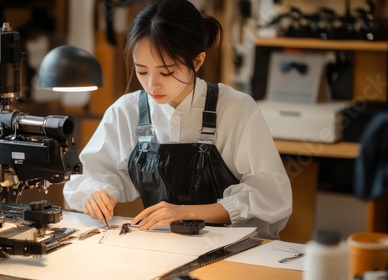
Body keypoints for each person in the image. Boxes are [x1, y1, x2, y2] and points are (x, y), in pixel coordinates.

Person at [63, 0, 292, 239]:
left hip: (233, 247)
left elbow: (271, 196)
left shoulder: (236, 108)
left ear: (197, 61)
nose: (152, 84)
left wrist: (185, 212)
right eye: (141, 71)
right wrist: (94, 193)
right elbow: (88, 175)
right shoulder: (127, 111)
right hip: (162, 245)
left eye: (166, 72)